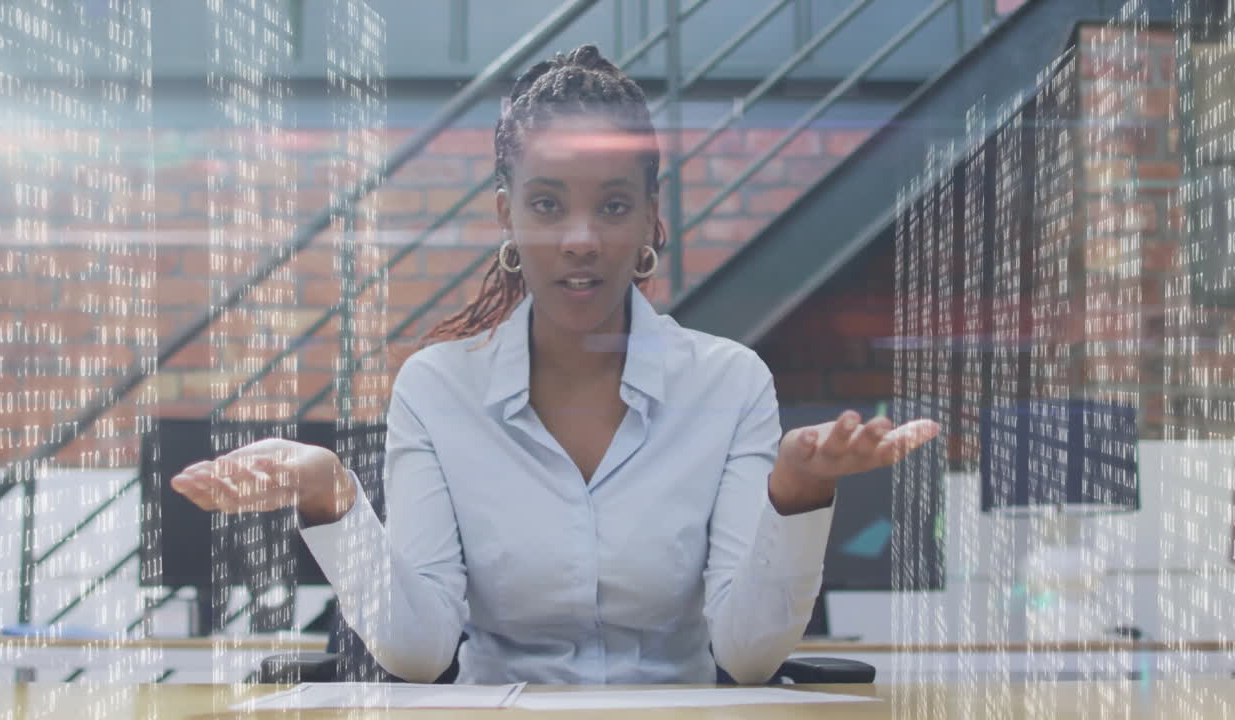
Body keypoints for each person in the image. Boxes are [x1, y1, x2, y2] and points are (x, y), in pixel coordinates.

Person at [170, 44, 939, 685]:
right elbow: (420, 649)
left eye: (611, 206)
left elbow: (748, 655)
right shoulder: (439, 391)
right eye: (546, 205)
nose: (580, 239)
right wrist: (330, 495)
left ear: (649, 216)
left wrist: (798, 494)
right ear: (505, 211)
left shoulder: (729, 384)